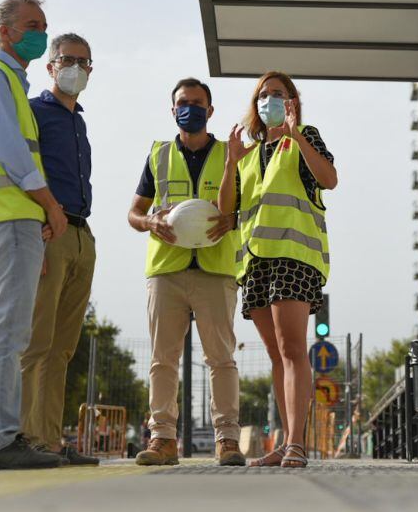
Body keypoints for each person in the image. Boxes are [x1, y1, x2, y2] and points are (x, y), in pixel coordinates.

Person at [0, 0, 68, 470]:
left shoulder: (8, 84)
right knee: (7, 331)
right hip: (8, 219)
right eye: (31, 24)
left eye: (44, 25)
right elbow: (12, 152)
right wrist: (48, 205)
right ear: (4, 31)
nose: (40, 33)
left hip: (5, 222)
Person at [219, 71, 336, 469]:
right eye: (263, 95)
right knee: (274, 354)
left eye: (278, 94)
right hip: (255, 262)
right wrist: (231, 162)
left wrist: (297, 135)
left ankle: (296, 444)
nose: (268, 100)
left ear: (291, 102)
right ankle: (286, 444)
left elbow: (329, 179)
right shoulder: (247, 155)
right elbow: (226, 209)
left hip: (294, 256)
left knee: (291, 349)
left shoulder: (304, 137)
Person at [127, 77, 245, 467]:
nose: (189, 108)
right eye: (183, 102)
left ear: (210, 111)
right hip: (166, 269)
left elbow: (248, 207)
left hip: (215, 268)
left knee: (221, 358)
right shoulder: (158, 155)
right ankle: (162, 439)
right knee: (163, 359)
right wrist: (149, 223)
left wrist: (233, 219)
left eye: (197, 103)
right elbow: (134, 213)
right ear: (172, 109)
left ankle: (227, 439)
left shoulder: (232, 154)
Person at [19, 32, 99, 466]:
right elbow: (22, 170)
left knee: (63, 348)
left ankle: (49, 441)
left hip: (82, 236)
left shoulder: (78, 120)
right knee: (37, 341)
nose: (77, 68)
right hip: (50, 233)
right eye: (68, 59)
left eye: (85, 62)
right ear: (50, 66)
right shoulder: (34, 112)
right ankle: (27, 437)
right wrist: (37, 223)